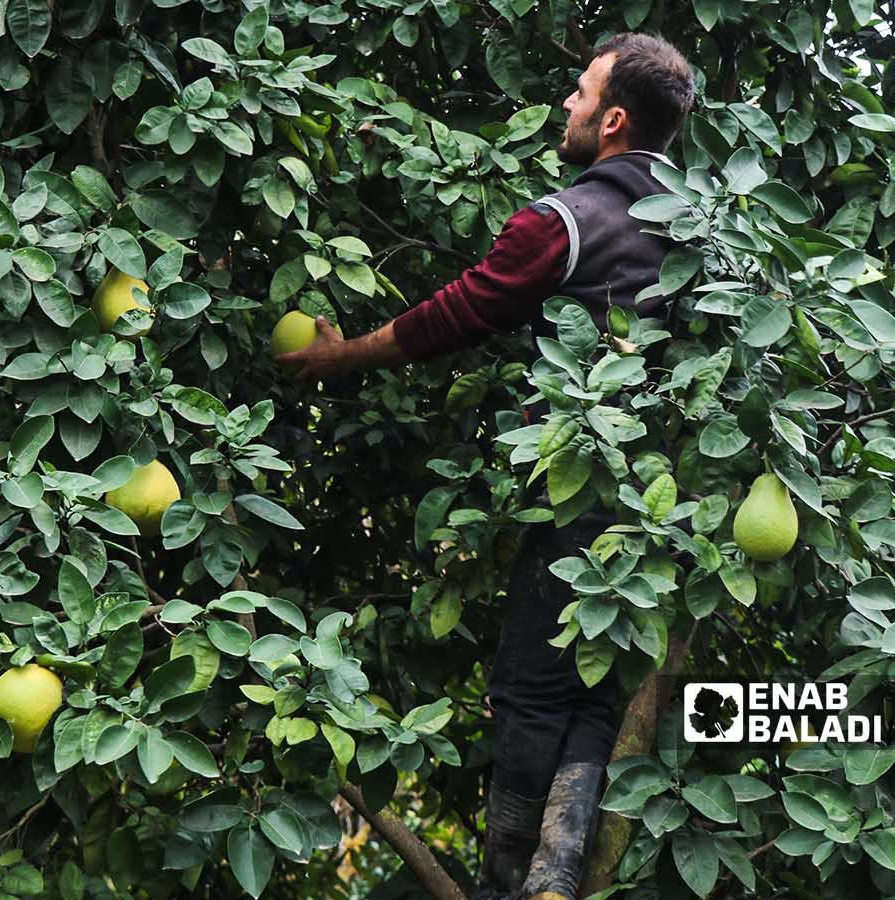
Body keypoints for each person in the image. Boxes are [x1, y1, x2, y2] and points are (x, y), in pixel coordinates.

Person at [278, 33, 695, 900]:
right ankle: (556, 872)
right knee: (592, 681)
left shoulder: (565, 221)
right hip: (665, 509)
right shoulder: (706, 231)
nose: (567, 108)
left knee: (529, 684)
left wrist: (343, 354)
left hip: (580, 488)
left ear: (613, 120)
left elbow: (457, 314)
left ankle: (513, 883)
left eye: (581, 96)